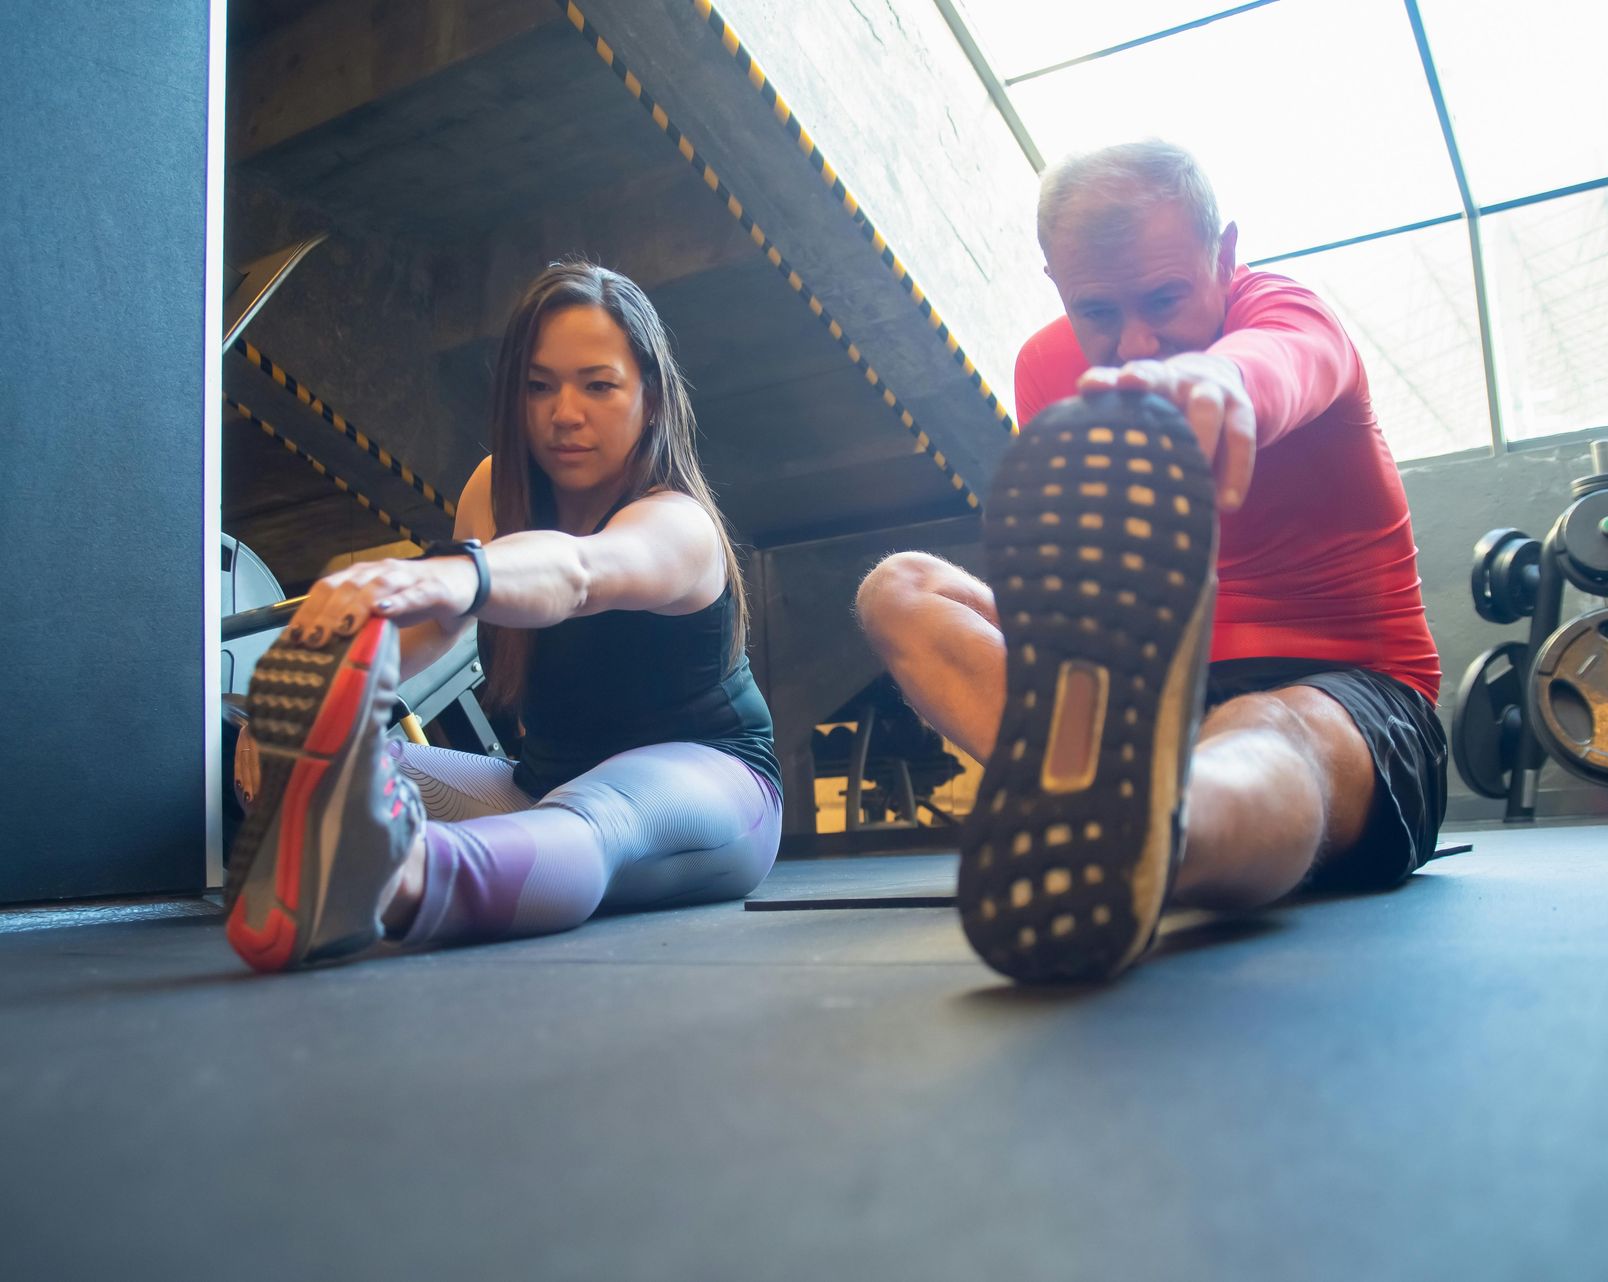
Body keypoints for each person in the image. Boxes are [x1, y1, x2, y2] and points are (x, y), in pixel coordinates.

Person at [856, 141, 1446, 982]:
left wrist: (1218, 379)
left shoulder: (1287, 315)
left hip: (1350, 704)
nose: (1135, 342)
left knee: (1266, 728)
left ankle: (1150, 832)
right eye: (1097, 311)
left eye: (1165, 297)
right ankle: (1095, 786)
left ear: (1226, 254)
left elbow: (1282, 365)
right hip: (1152, 691)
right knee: (902, 588)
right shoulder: (1047, 368)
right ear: (1055, 280)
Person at [226, 261, 781, 972]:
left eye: (599, 385)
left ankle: (397, 880)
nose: (565, 413)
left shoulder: (680, 525)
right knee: (345, 765)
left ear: (652, 395)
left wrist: (456, 573)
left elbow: (577, 574)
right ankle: (342, 864)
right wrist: (307, 709)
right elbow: (433, 634)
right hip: (541, 781)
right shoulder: (495, 490)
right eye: (538, 386)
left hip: (714, 790)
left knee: (596, 818)